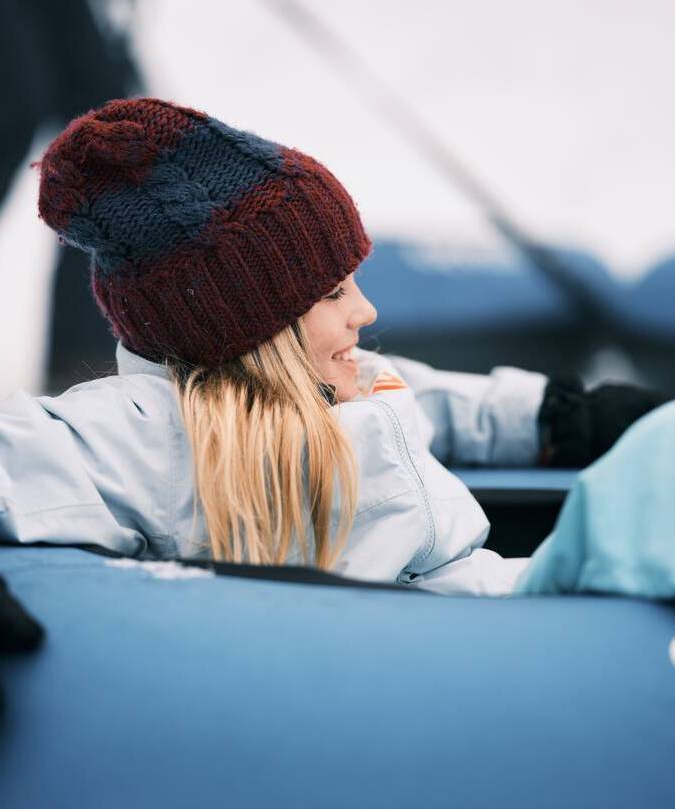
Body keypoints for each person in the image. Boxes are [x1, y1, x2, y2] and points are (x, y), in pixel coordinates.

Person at [0, 97, 669, 597]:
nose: (365, 312)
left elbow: (436, 399)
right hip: (432, 655)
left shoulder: (345, 382)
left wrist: (552, 416)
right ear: (246, 331)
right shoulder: (152, 437)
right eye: (330, 294)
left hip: (492, 606)